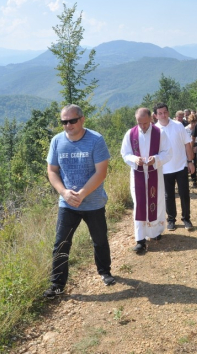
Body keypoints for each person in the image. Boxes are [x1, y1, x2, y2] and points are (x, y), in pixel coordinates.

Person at [44, 104, 115, 299]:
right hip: (67, 203)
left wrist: (82, 194)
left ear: (82, 119)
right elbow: (52, 171)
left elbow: (101, 172)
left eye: (72, 120)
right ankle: (57, 285)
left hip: (93, 202)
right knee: (61, 244)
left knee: (99, 240)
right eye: (64, 122)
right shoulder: (57, 141)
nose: (68, 125)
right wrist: (64, 192)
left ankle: (105, 272)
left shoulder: (96, 140)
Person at [121, 108, 172, 254]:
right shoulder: (130, 134)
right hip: (137, 174)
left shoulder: (159, 133)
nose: (143, 126)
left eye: (145, 123)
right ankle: (140, 239)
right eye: (139, 123)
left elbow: (168, 153)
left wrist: (155, 159)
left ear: (151, 119)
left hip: (154, 173)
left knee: (156, 202)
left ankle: (155, 232)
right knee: (139, 204)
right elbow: (125, 154)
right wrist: (134, 159)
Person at [154, 103, 195, 231]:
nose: (163, 115)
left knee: (184, 194)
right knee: (168, 196)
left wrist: (190, 161)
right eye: (160, 113)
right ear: (155, 115)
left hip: (181, 166)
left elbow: (187, 144)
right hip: (164, 169)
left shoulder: (178, 126)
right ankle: (171, 219)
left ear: (168, 112)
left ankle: (186, 219)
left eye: (165, 112)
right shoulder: (154, 130)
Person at [184, 113, 197, 187]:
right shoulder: (186, 129)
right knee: (187, 164)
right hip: (187, 148)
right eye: (192, 122)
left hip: (196, 147)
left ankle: (194, 180)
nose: (194, 124)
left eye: (195, 122)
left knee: (194, 164)